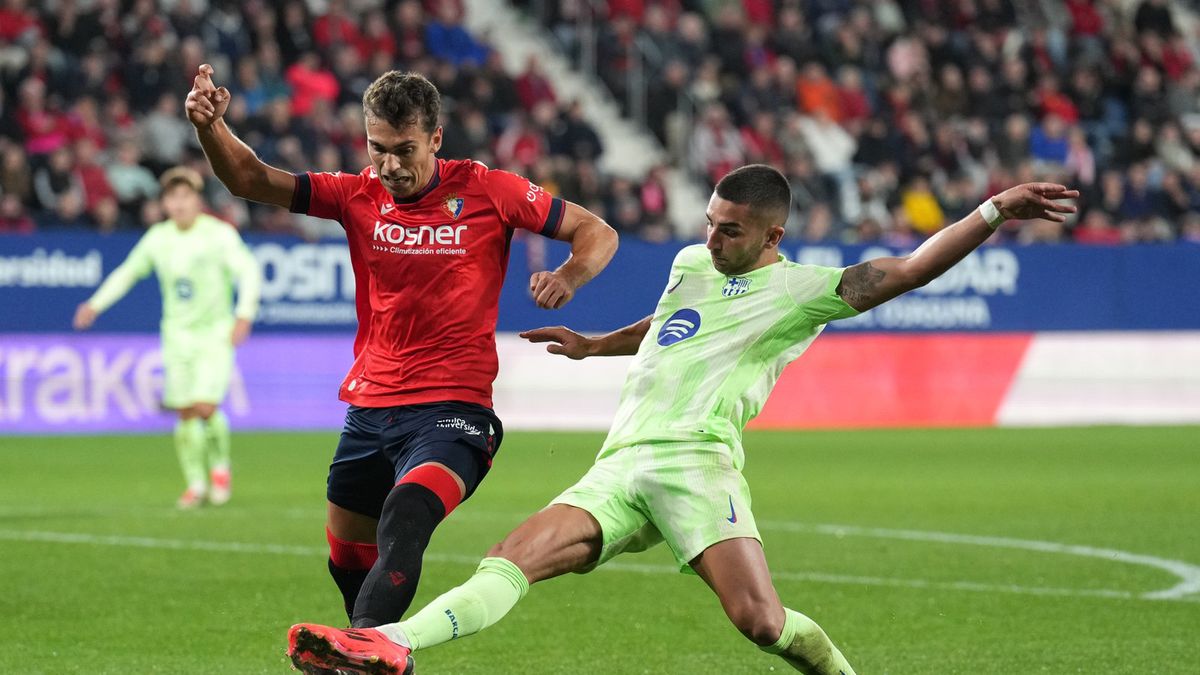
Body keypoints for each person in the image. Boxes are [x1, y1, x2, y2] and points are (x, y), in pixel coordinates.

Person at [285, 164, 1078, 675]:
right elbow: (668, 324)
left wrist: (994, 208)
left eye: (729, 228)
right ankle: (388, 642)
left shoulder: (807, 291)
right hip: (623, 460)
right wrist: (597, 345)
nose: (711, 236)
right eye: (709, 219)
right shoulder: (691, 264)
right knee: (511, 557)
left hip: (699, 464)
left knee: (761, 622)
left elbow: (906, 268)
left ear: (773, 234)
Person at [184, 65, 618, 627]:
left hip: (453, 410)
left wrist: (569, 275)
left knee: (406, 513)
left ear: (436, 139)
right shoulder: (355, 195)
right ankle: (379, 654)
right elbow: (250, 179)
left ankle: (364, 645)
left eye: (404, 149)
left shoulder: (491, 189)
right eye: (377, 148)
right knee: (347, 557)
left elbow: (597, 231)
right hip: (369, 409)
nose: (389, 165)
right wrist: (212, 128)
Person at [73, 166, 261, 509]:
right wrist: (95, 304)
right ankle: (196, 484)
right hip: (176, 336)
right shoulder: (159, 238)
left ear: (197, 200)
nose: (178, 204)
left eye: (185, 196)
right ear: (164, 203)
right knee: (186, 411)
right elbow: (127, 272)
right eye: (172, 198)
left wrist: (244, 313)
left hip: (214, 334)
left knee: (206, 406)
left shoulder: (218, 234)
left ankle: (220, 467)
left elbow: (247, 271)